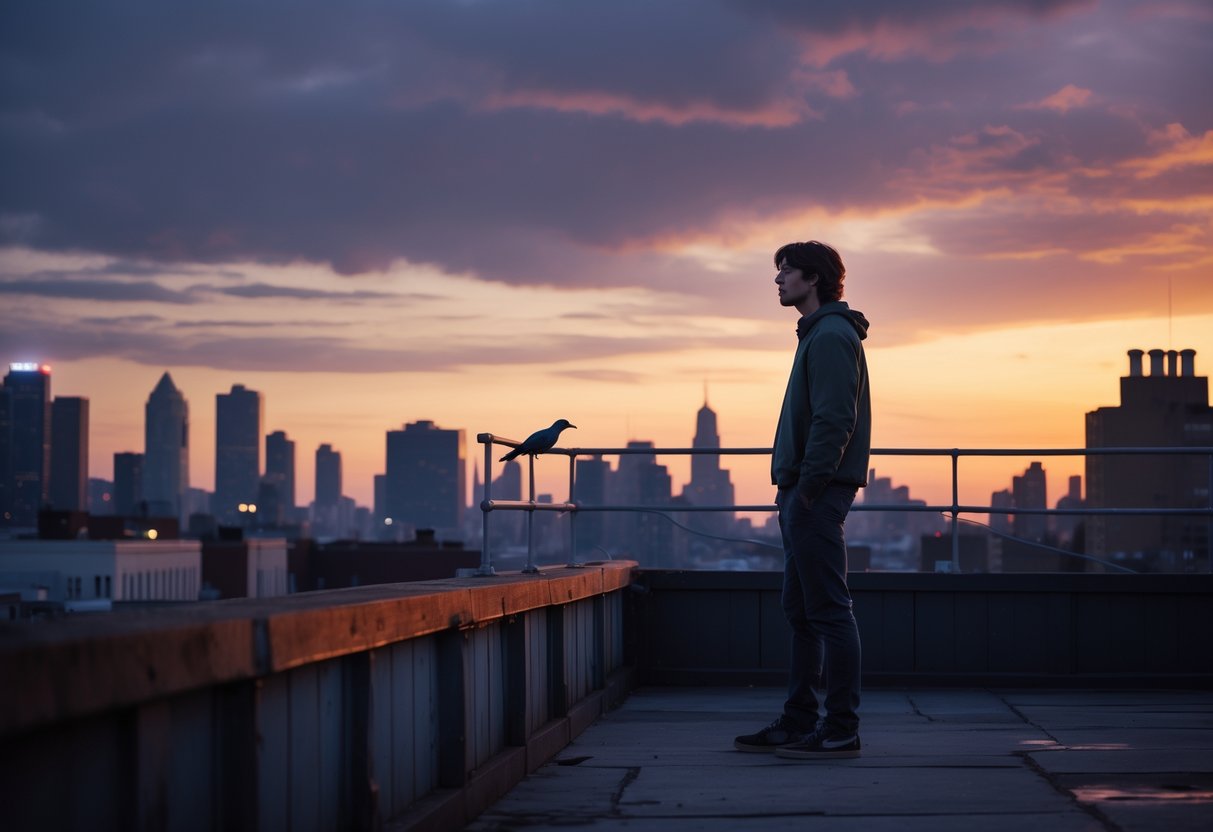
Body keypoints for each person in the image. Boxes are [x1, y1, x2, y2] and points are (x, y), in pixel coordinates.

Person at [734, 240, 871, 760]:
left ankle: (839, 729)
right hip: (801, 491)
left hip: (816, 493)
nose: (778, 280)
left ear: (813, 278)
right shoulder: (818, 335)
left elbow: (835, 419)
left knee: (829, 612)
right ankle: (798, 721)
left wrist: (809, 488)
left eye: (785, 271)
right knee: (801, 611)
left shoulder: (832, 335)